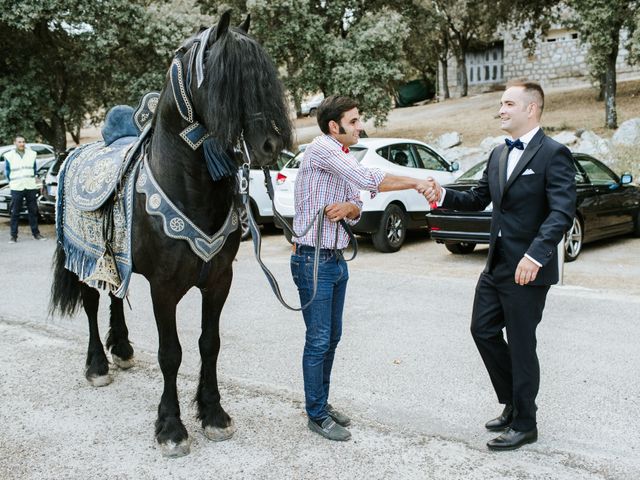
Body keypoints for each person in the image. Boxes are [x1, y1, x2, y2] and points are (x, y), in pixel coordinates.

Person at [424, 81, 576, 450]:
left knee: (522, 345)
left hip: (529, 267)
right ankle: (513, 403)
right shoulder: (497, 154)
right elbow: (478, 199)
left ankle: (526, 423)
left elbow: (562, 211)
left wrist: (536, 255)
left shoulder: (553, 153)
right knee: (482, 331)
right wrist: (441, 194)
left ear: (532, 109)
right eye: (501, 104)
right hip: (496, 264)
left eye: (509, 103)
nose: (501, 110)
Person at [291, 95, 433, 441]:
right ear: (333, 127)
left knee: (332, 338)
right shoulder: (322, 148)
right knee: (319, 339)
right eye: (353, 121)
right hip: (313, 259)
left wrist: (350, 208)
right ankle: (316, 413)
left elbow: (356, 198)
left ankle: (321, 403)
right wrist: (415, 181)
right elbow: (368, 178)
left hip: (335, 260)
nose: (360, 126)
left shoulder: (340, 154)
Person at [4, 135, 45, 243]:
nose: (22, 144)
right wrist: (13, 182)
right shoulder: (9, 156)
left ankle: (36, 234)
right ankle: (13, 236)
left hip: (30, 186)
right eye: (19, 142)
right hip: (17, 187)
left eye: (23, 141)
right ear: (15, 143)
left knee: (33, 211)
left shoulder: (32, 154)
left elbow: (34, 170)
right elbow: (7, 172)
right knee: (15, 212)